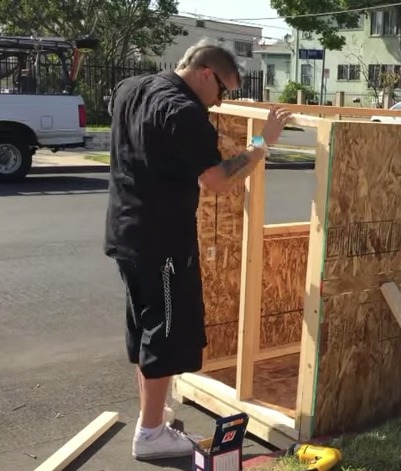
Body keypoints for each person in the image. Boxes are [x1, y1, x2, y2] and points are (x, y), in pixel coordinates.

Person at [103, 39, 292, 460]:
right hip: (163, 243)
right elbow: (218, 179)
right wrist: (264, 142)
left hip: (125, 232)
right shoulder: (185, 112)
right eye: (223, 90)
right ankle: (151, 435)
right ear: (206, 73)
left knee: (146, 329)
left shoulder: (132, 88)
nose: (221, 100)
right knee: (165, 334)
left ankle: (152, 419)